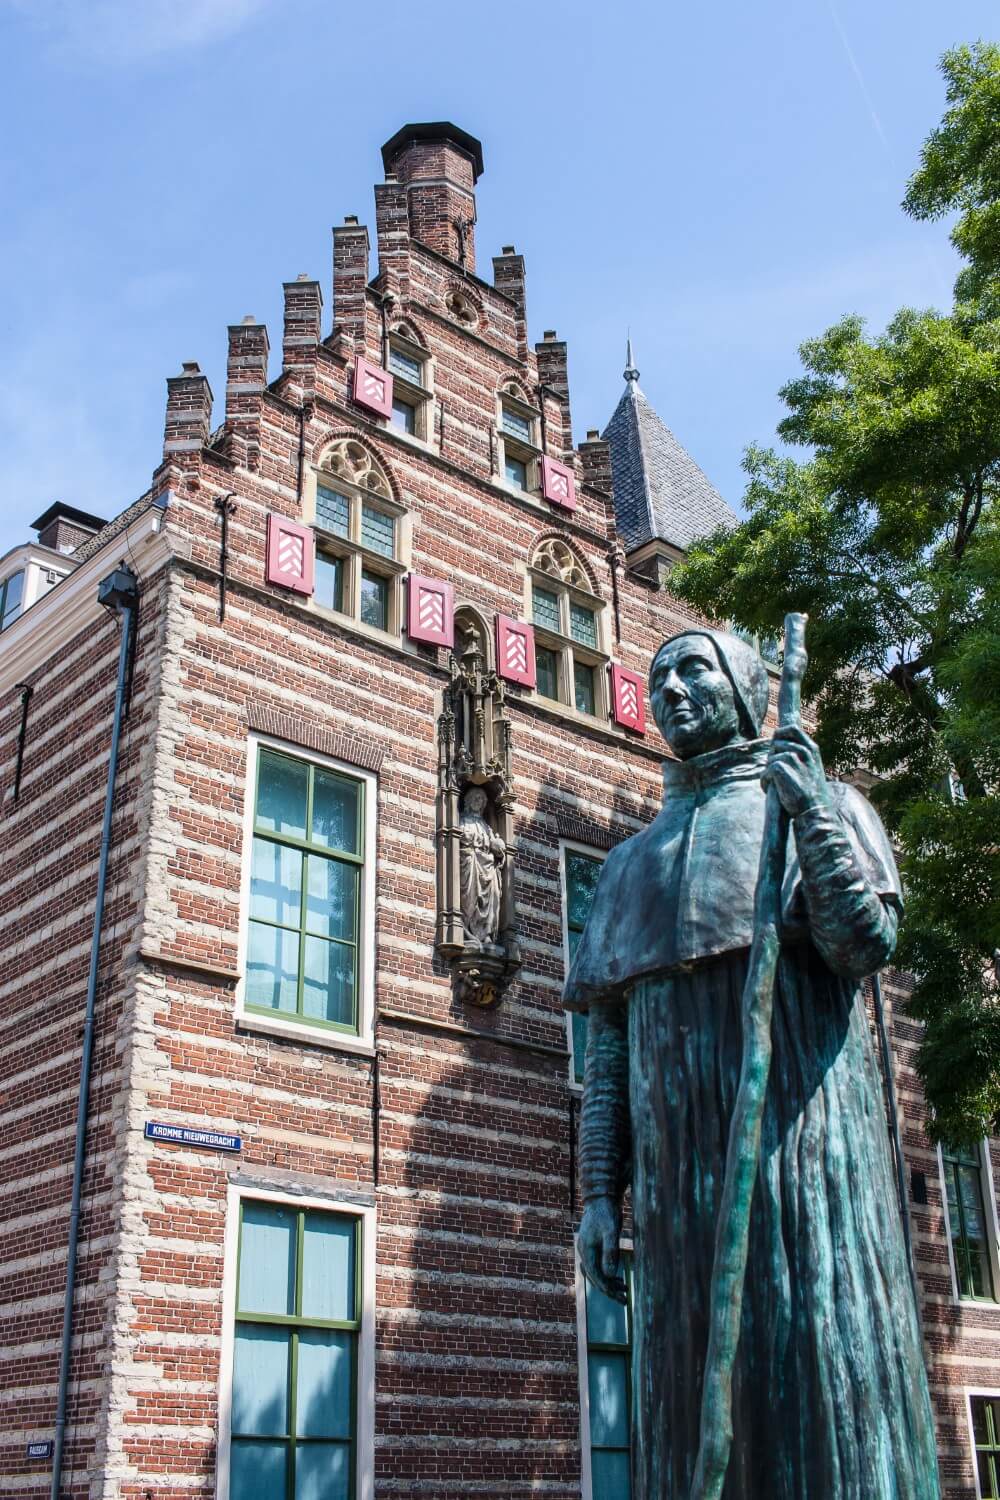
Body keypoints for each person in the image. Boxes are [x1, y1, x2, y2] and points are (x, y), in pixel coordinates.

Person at [565, 628, 940, 1499]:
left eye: (694, 668)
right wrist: (595, 1194)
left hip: (805, 1162)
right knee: (689, 1403)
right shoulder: (625, 870)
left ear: (745, 686)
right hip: (676, 1193)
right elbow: (610, 1053)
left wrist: (810, 810)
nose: (671, 688)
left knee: (823, 1385)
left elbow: (863, 944)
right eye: (658, 676)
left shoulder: (822, 805)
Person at [458, 785, 505, 949]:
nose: (480, 802)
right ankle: (466, 931)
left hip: (488, 868)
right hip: (470, 865)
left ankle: (486, 934)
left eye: (483, 799)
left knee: (492, 897)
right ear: (469, 801)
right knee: (469, 898)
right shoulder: (461, 820)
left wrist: (498, 848)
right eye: (476, 798)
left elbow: (495, 846)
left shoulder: (487, 827)